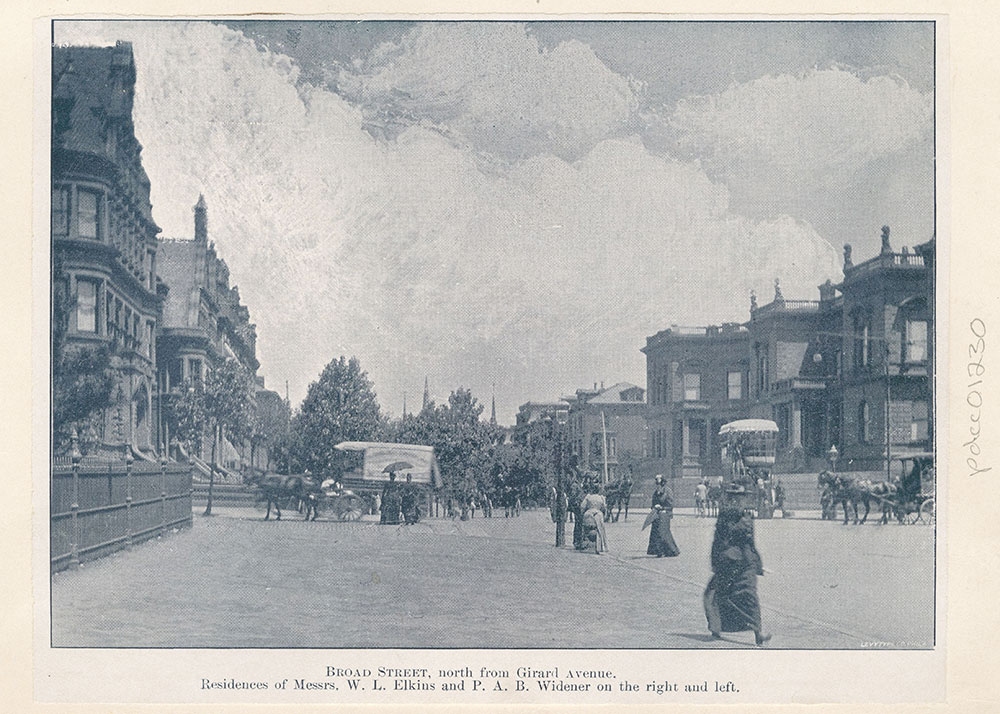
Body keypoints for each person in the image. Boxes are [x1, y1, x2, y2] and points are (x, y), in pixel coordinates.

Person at [703, 507, 771, 646]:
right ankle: (716, 627)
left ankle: (758, 633)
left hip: (746, 562)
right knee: (716, 594)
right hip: (728, 563)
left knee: (749, 595)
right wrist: (716, 561)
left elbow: (751, 542)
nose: (737, 502)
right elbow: (718, 540)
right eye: (733, 498)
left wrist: (757, 562)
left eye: (740, 498)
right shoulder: (725, 517)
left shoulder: (747, 516)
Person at [647, 475, 680, 557]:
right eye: (656, 483)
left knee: (663, 533)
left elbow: (671, 504)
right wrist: (654, 506)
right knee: (655, 532)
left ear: (663, 482)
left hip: (665, 514)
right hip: (657, 514)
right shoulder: (656, 491)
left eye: (659, 482)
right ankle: (659, 551)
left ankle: (671, 550)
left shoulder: (668, 491)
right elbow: (653, 502)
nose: (657, 485)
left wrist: (663, 507)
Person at [579, 482, 609, 554]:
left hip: (588, 515)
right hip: (598, 515)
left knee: (584, 529)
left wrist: (583, 513)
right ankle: (601, 546)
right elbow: (604, 508)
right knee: (601, 529)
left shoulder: (588, 497)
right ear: (599, 490)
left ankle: (584, 544)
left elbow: (582, 506)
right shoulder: (601, 498)